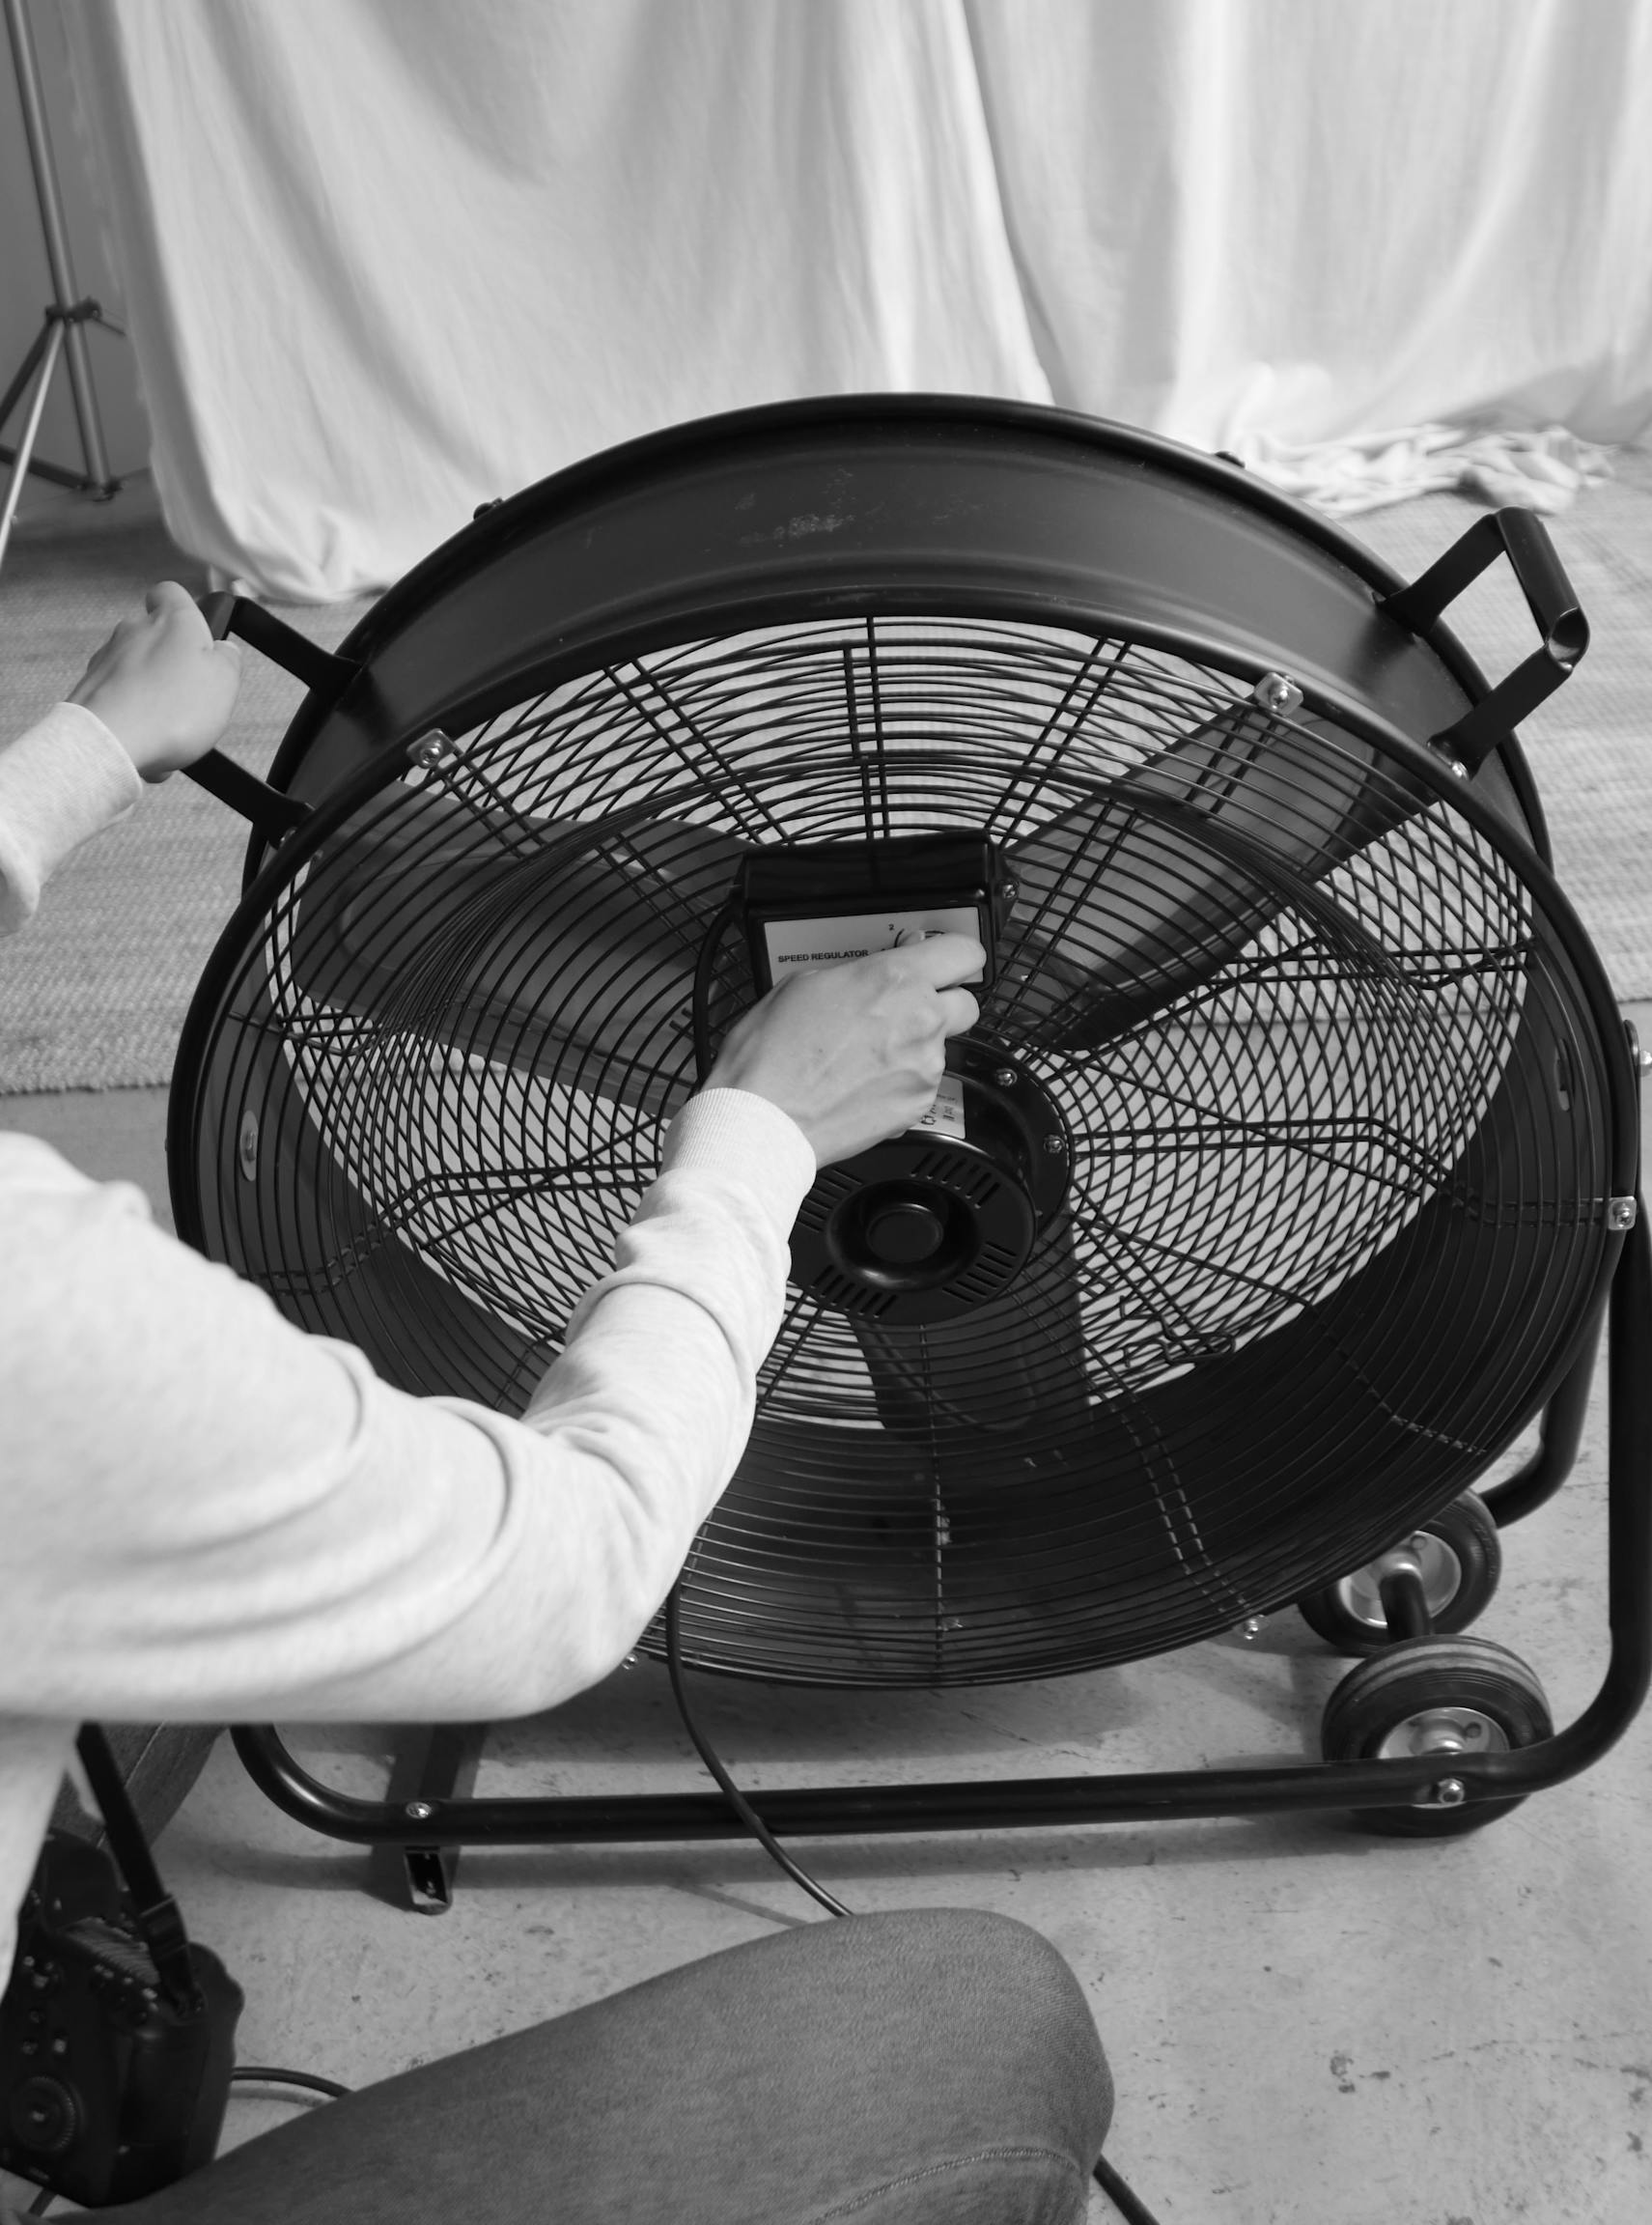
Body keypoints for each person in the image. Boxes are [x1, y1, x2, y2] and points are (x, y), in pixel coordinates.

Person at [0, 583, 1112, 2223]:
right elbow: (570, 1576)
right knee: (987, 2032)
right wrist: (761, 1129)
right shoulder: (41, 1317)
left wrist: (79, 757)